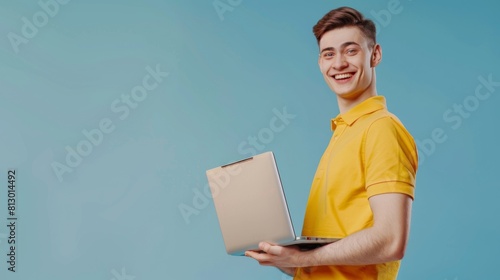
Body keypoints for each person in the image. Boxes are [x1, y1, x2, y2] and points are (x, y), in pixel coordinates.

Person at [245, 6, 419, 279]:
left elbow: (390, 240)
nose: (338, 64)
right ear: (320, 63)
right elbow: (328, 265)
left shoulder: (381, 129)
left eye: (351, 51)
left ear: (375, 55)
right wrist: (281, 256)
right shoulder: (343, 133)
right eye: (329, 54)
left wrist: (307, 257)